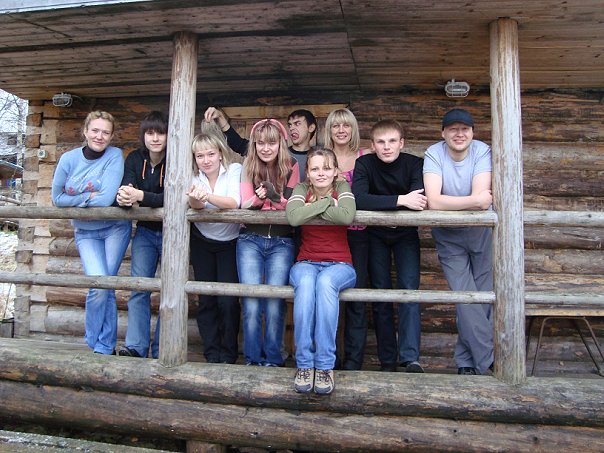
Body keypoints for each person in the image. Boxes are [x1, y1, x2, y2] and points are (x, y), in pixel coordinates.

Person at [51, 111, 131, 355]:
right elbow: (57, 198)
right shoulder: (68, 159)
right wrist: (87, 197)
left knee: (106, 285)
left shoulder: (114, 155)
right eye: (95, 130)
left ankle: (103, 346)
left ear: (111, 136)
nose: (100, 136)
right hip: (85, 231)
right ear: (85, 131)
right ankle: (96, 341)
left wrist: (75, 198)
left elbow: (106, 199)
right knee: (98, 285)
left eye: (106, 132)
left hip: (114, 229)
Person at [423, 108, 494, 375]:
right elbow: (434, 201)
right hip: (448, 235)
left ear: (472, 132)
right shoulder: (434, 153)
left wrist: (459, 202)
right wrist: (474, 201)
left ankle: (466, 362)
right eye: (453, 129)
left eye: (465, 129)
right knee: (465, 298)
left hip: (480, 232)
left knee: (484, 297)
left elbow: (482, 200)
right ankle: (489, 361)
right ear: (443, 133)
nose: (459, 134)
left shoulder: (481, 151)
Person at [353, 119, 427, 373]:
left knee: (409, 291)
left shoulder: (414, 164)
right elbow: (359, 199)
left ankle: (410, 358)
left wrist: (393, 202)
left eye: (392, 141)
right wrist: (401, 200)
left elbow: (419, 200)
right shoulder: (364, 163)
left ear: (401, 143)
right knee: (380, 293)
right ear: (372, 145)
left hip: (406, 234)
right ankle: (388, 361)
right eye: (381, 142)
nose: (387, 147)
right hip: (375, 235)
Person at [287, 148, 356, 394]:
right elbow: (294, 217)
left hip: (340, 265)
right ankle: (305, 364)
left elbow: (346, 216)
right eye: (315, 168)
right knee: (306, 285)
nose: (321, 173)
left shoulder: (342, 187)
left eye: (327, 168)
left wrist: (315, 206)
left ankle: (325, 366)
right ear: (307, 172)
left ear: (336, 171)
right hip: (306, 262)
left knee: (326, 283)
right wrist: (327, 204)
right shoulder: (301, 189)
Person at [237, 118, 300, 367]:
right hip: (250, 239)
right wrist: (258, 199)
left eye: (271, 143)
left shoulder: (292, 165)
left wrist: (275, 198)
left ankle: (273, 358)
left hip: (282, 241)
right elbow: (244, 204)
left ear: (280, 143)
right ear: (254, 144)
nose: (265, 148)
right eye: (260, 143)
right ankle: (252, 359)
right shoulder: (248, 165)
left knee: (275, 302)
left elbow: (293, 206)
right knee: (251, 302)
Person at [115, 111, 168, 359]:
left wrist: (141, 197)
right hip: (145, 232)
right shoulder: (135, 158)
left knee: (170, 291)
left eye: (160, 133)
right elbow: (128, 185)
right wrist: (125, 197)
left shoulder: (177, 158)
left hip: (173, 234)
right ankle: (136, 347)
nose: (155, 138)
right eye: (150, 133)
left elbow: (171, 197)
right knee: (139, 289)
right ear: (143, 135)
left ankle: (162, 348)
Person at [187, 132, 242, 364]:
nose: (206, 160)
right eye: (200, 156)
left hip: (231, 242)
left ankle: (229, 353)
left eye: (210, 154)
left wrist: (207, 196)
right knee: (207, 299)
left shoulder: (234, 170)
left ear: (220, 153)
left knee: (228, 301)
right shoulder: (192, 176)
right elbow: (195, 205)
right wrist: (196, 198)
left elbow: (234, 202)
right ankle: (211, 352)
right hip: (203, 241)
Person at [323, 107, 369, 370]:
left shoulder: (365, 157)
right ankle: (328, 358)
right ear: (329, 130)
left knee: (356, 298)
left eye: (346, 125)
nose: (341, 130)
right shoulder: (322, 158)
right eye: (335, 126)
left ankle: (353, 360)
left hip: (359, 235)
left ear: (353, 129)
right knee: (327, 297)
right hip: (330, 236)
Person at [203, 106, 317, 177]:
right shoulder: (275, 153)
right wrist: (221, 119)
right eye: (290, 125)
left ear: (311, 127)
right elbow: (239, 144)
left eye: (297, 123)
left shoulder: (320, 155)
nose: (292, 128)